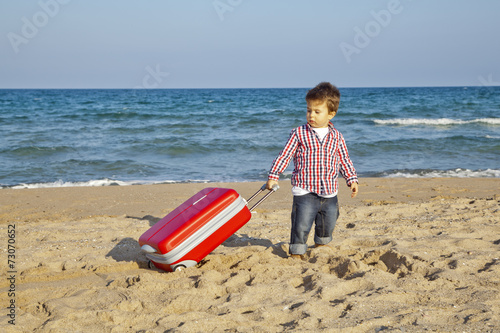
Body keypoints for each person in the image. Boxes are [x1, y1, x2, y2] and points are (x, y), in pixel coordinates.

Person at [266, 82, 358, 259]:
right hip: (305, 190)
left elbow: (344, 159)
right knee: (301, 224)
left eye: (317, 111)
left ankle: (321, 243)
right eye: (309, 110)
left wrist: (351, 179)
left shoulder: (337, 136)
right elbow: (284, 156)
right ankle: (297, 251)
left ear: (331, 114)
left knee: (328, 221)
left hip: (329, 191)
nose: (311, 115)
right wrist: (273, 176)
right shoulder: (299, 133)